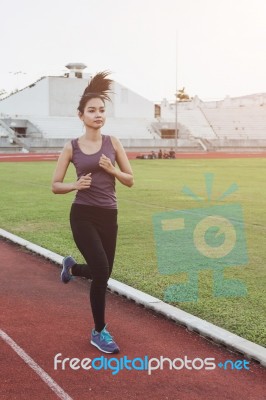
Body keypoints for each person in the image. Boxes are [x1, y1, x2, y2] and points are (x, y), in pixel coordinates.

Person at [51, 71, 134, 354]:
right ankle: (99, 332)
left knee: (104, 274)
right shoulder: (71, 147)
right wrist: (75, 184)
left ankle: (71, 268)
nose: (98, 115)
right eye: (92, 110)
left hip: (109, 216)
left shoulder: (114, 143)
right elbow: (55, 185)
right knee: (101, 271)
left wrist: (113, 170)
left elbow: (130, 179)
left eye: (101, 110)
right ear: (81, 115)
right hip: (83, 213)